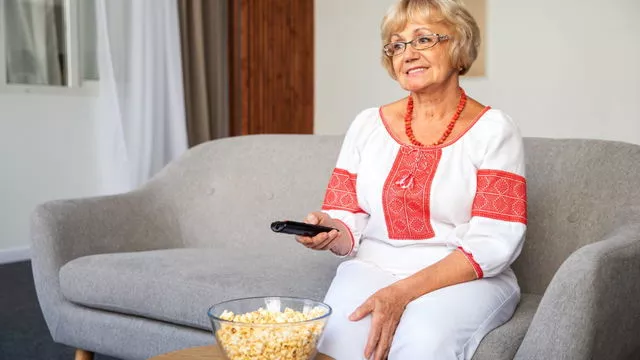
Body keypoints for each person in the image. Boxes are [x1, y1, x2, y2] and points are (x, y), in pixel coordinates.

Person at [296, 0, 527, 359]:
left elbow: (494, 242)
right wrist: (329, 230)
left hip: (464, 277)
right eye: (397, 44)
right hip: (372, 265)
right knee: (334, 339)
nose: (407, 53)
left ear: (458, 47)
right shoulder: (367, 125)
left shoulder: (494, 130)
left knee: (422, 340)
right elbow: (347, 222)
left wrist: (402, 292)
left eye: (423, 39)